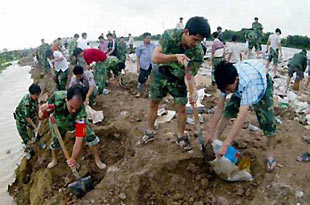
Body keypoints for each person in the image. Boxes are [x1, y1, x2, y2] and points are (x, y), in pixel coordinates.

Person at [139, 16, 211, 151]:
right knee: (154, 103)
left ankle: (180, 137)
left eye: (200, 41)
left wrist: (193, 89)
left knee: (181, 109)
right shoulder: (169, 35)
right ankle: (149, 132)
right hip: (160, 74)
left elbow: (189, 75)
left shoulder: (198, 53)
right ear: (186, 32)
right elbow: (154, 58)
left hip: (178, 79)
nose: (196, 43)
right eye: (195, 39)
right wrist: (175, 56)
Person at [205, 60, 277, 172]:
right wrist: (211, 133)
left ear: (236, 80)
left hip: (261, 85)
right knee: (229, 110)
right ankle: (216, 139)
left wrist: (226, 145)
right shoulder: (226, 77)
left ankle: (270, 155)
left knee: (268, 122)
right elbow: (220, 108)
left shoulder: (250, 84)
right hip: (242, 82)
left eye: (229, 90)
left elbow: (241, 117)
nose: (227, 92)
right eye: (225, 90)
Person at [41, 86, 106, 169]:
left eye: (77, 108)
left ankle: (98, 160)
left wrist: (73, 159)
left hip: (73, 121)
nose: (74, 111)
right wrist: (44, 112)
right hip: (58, 122)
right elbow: (43, 113)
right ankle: (54, 160)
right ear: (66, 100)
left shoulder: (81, 114)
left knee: (91, 137)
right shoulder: (57, 97)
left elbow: (79, 138)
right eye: (72, 107)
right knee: (55, 141)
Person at [14, 84, 41, 159]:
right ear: (31, 94)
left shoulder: (35, 98)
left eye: (39, 95)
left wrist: (38, 117)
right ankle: (29, 150)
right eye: (36, 95)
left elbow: (36, 106)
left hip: (30, 116)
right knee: (24, 135)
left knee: (36, 133)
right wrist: (35, 127)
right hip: (21, 119)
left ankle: (39, 144)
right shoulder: (26, 103)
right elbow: (27, 118)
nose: (38, 97)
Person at [135, 32, 156, 97]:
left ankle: (151, 93)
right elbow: (138, 57)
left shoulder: (153, 45)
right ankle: (139, 92)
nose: (149, 40)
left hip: (152, 65)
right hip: (144, 65)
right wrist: (138, 67)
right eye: (147, 38)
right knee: (141, 79)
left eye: (150, 38)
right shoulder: (140, 47)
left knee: (153, 79)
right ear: (144, 39)